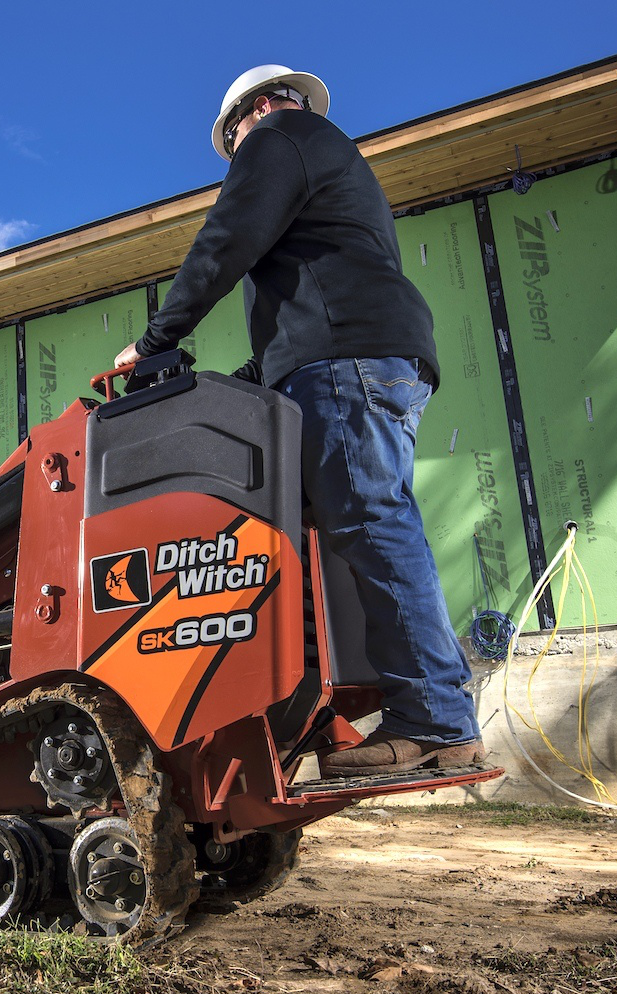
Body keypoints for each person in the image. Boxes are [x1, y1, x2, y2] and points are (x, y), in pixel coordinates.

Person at [114, 65, 484, 777]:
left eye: (232, 139)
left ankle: (436, 718)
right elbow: (310, 302)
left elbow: (227, 240)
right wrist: (232, 381)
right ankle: (319, 705)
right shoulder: (331, 160)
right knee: (334, 530)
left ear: (249, 115)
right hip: (369, 358)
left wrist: (156, 341)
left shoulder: (282, 135)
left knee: (372, 521)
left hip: (348, 361)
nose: (238, 149)